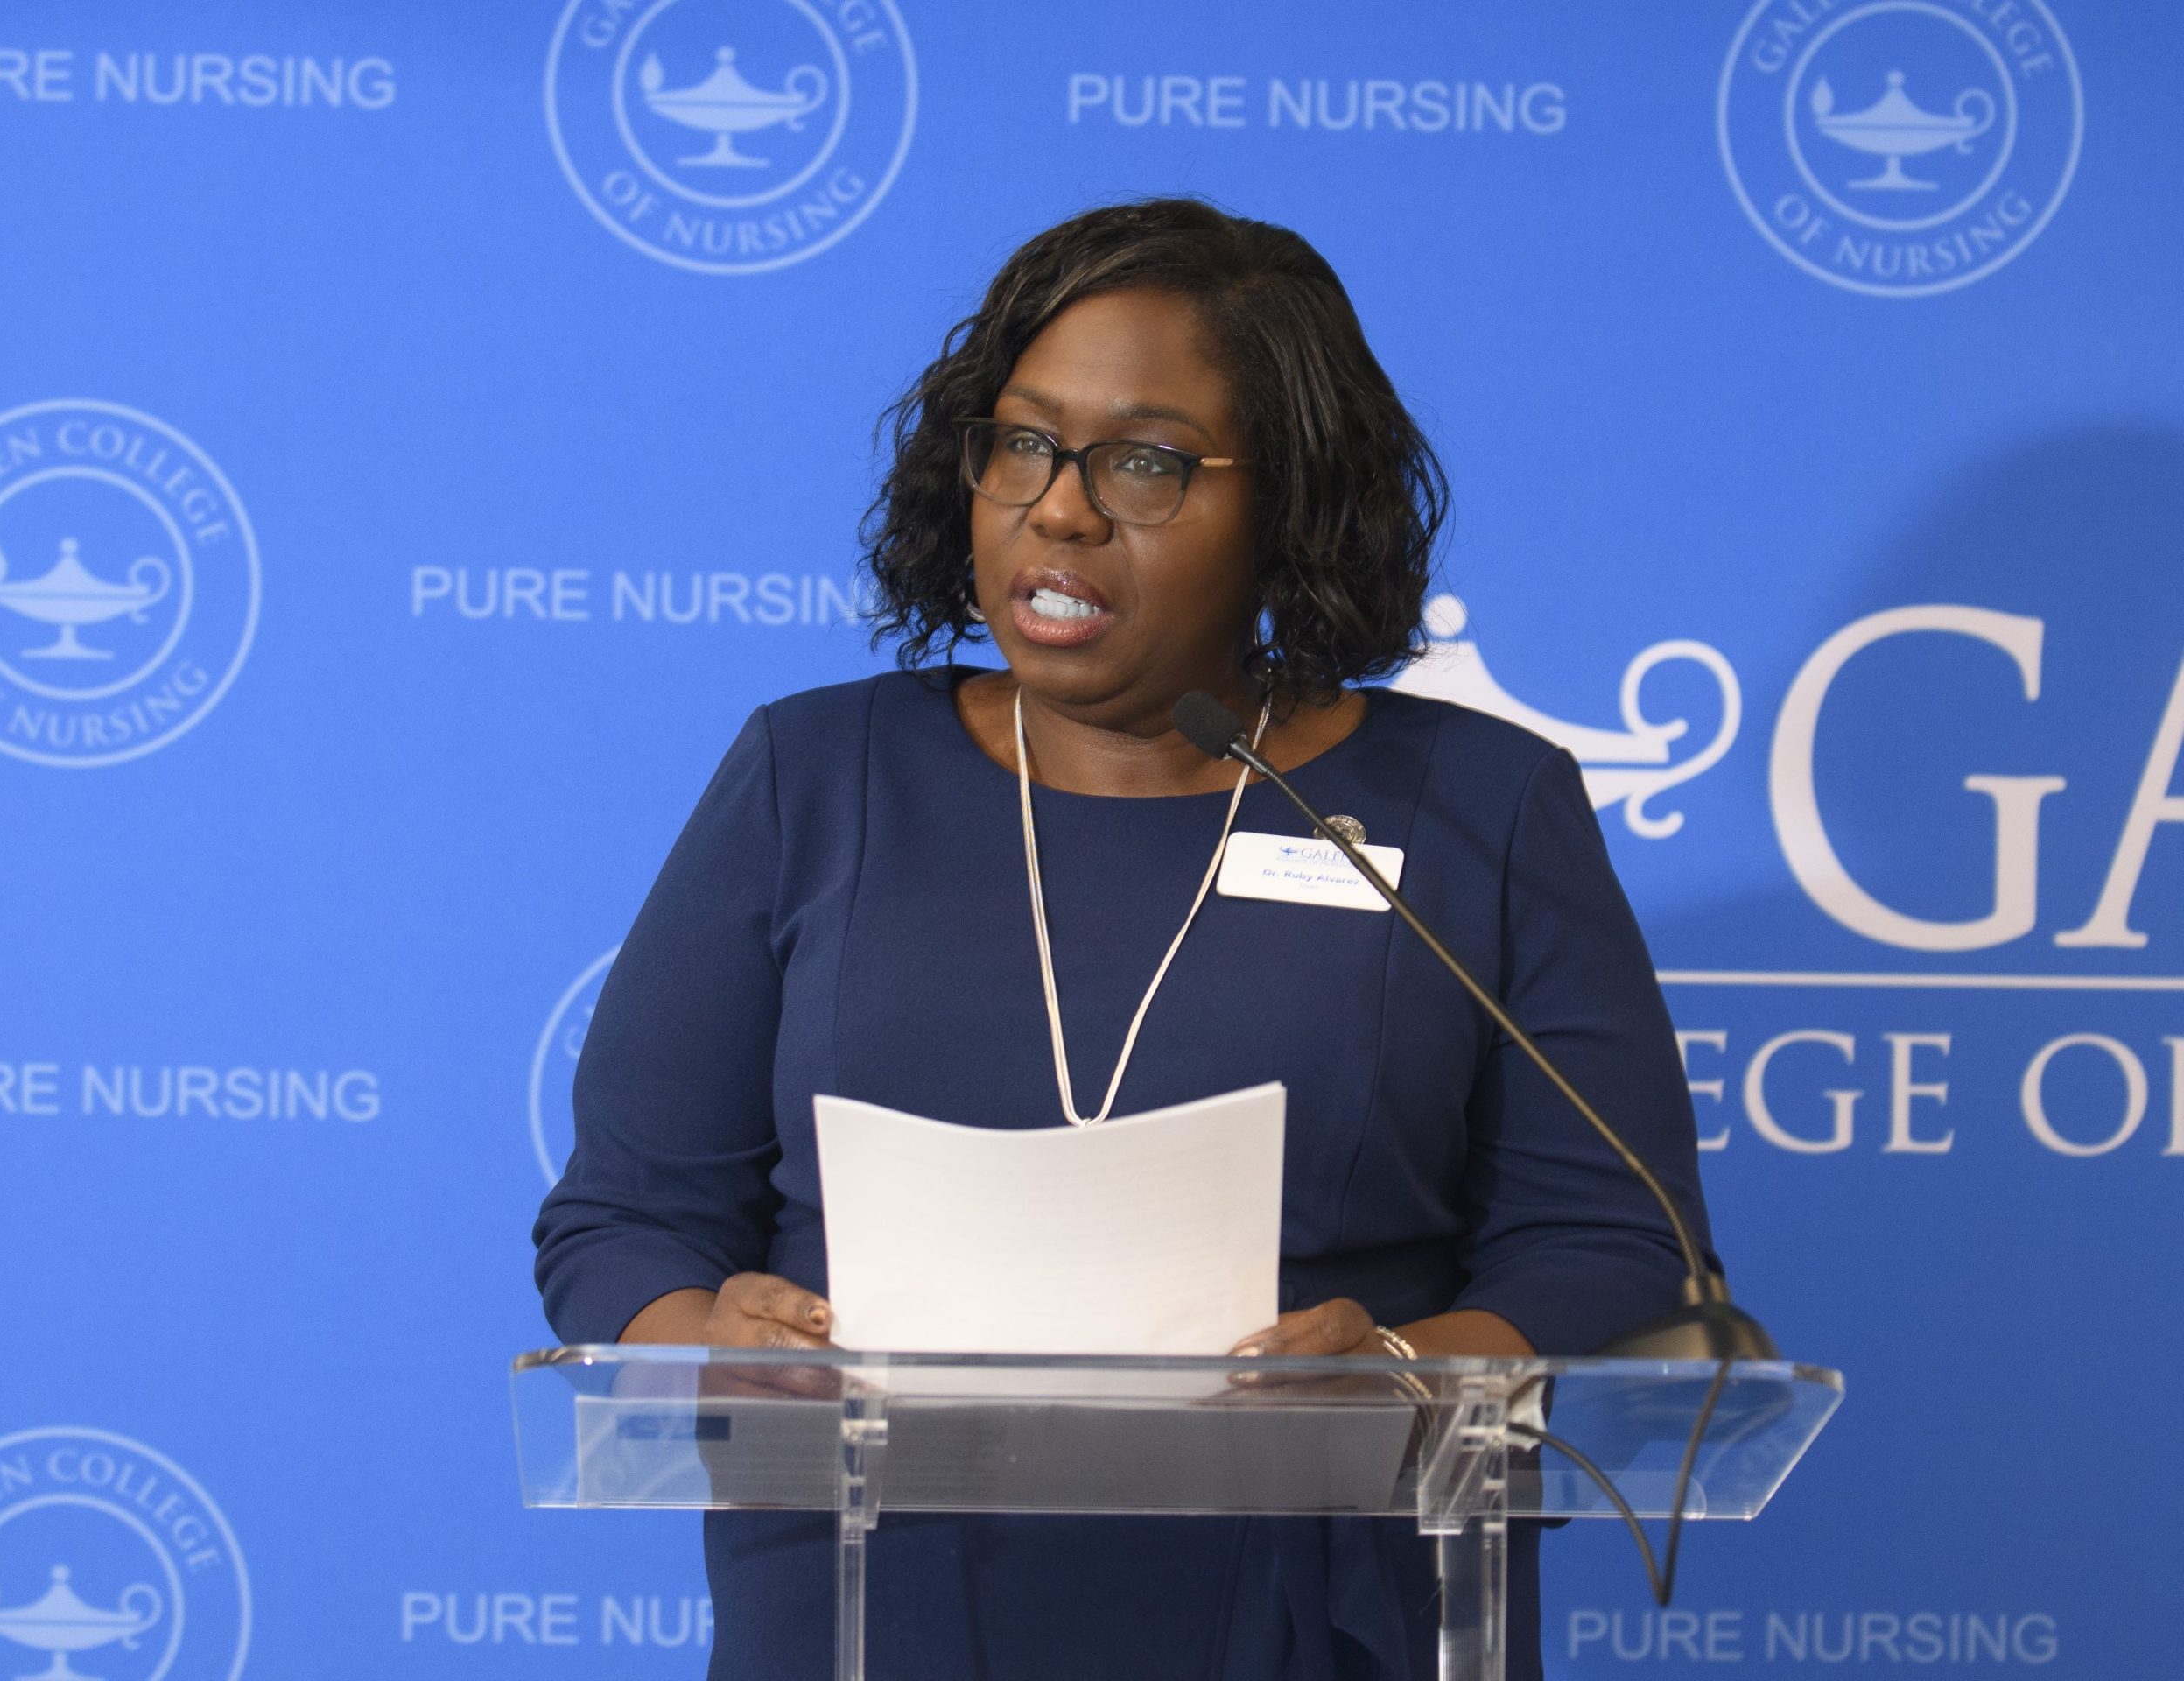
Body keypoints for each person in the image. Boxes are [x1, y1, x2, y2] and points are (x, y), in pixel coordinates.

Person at [533, 198, 1714, 1680]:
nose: (1061, 506)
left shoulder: (1480, 809)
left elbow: (1613, 1240)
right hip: (868, 1596)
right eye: (1020, 441)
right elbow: (622, 1216)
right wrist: (714, 1326)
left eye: (1145, 462)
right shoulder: (813, 779)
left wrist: (1405, 1370)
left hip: (1325, 1597)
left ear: (1289, 500)